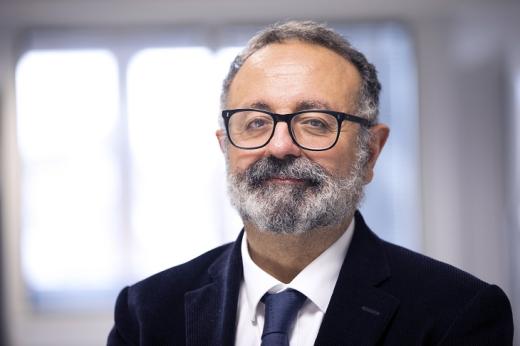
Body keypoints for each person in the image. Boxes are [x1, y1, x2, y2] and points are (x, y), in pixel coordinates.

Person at [107, 21, 514, 345]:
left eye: (315, 123)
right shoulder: (146, 313)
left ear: (370, 152)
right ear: (226, 146)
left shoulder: (457, 313)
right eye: (255, 122)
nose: (280, 146)